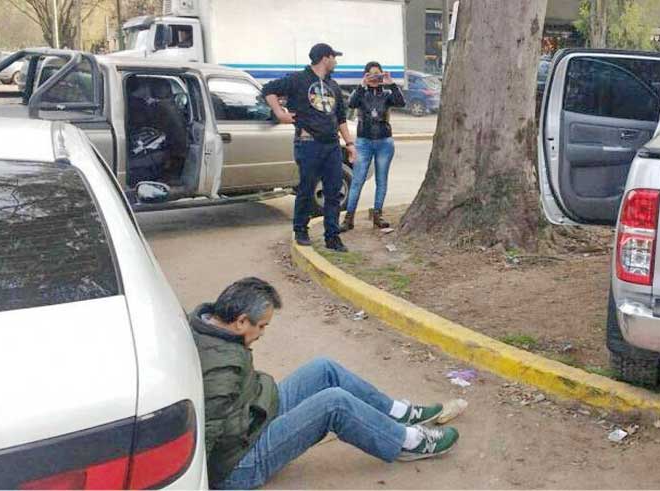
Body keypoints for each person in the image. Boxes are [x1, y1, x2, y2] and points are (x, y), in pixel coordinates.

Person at [191, 277, 461, 489]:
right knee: (334, 404)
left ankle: (398, 413)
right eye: (261, 326)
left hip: (255, 413)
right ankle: (405, 441)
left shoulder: (208, 325)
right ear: (240, 321)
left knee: (323, 368)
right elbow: (208, 428)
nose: (262, 333)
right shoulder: (221, 369)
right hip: (241, 462)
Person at [262, 43, 356, 252]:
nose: (336, 62)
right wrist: (280, 113)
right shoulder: (298, 80)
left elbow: (341, 118)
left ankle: (332, 236)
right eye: (334, 57)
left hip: (332, 145)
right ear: (325, 58)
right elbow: (268, 89)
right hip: (308, 143)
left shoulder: (333, 85)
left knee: (333, 191)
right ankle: (301, 230)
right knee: (306, 189)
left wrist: (349, 144)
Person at [341, 62, 406, 232]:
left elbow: (401, 102)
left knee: (381, 180)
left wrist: (391, 83)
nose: (375, 77)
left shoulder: (387, 94)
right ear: (366, 75)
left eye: (378, 74)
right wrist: (362, 85)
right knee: (357, 180)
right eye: (371, 74)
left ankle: (378, 215)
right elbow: (351, 103)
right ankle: (349, 218)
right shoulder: (361, 94)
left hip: (384, 142)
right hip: (364, 142)